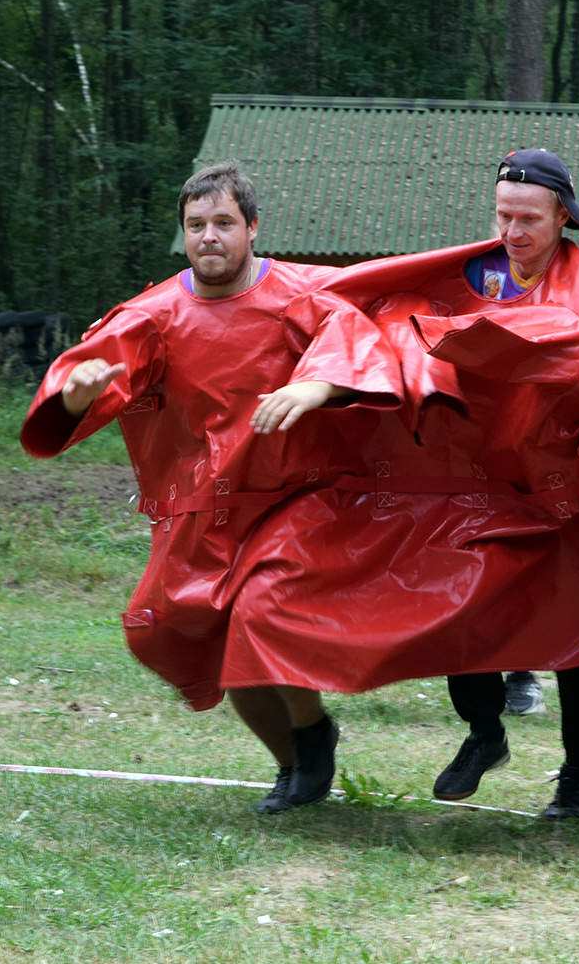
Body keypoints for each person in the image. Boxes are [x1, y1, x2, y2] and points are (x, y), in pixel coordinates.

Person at [21, 163, 402, 813]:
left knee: (260, 614)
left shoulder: (304, 295)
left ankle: (310, 739)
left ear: (252, 228)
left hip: (294, 498)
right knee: (185, 634)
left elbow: (363, 345)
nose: (209, 237)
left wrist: (316, 387)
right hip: (200, 507)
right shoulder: (155, 314)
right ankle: (297, 757)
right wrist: (76, 397)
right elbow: (90, 378)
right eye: (196, 225)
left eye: (224, 223)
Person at [430, 149, 579, 818]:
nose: (512, 231)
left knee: (575, 631)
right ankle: (484, 732)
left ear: (562, 216)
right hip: (486, 477)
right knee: (463, 604)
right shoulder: (472, 273)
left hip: (570, 481)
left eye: (528, 218)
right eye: (503, 216)